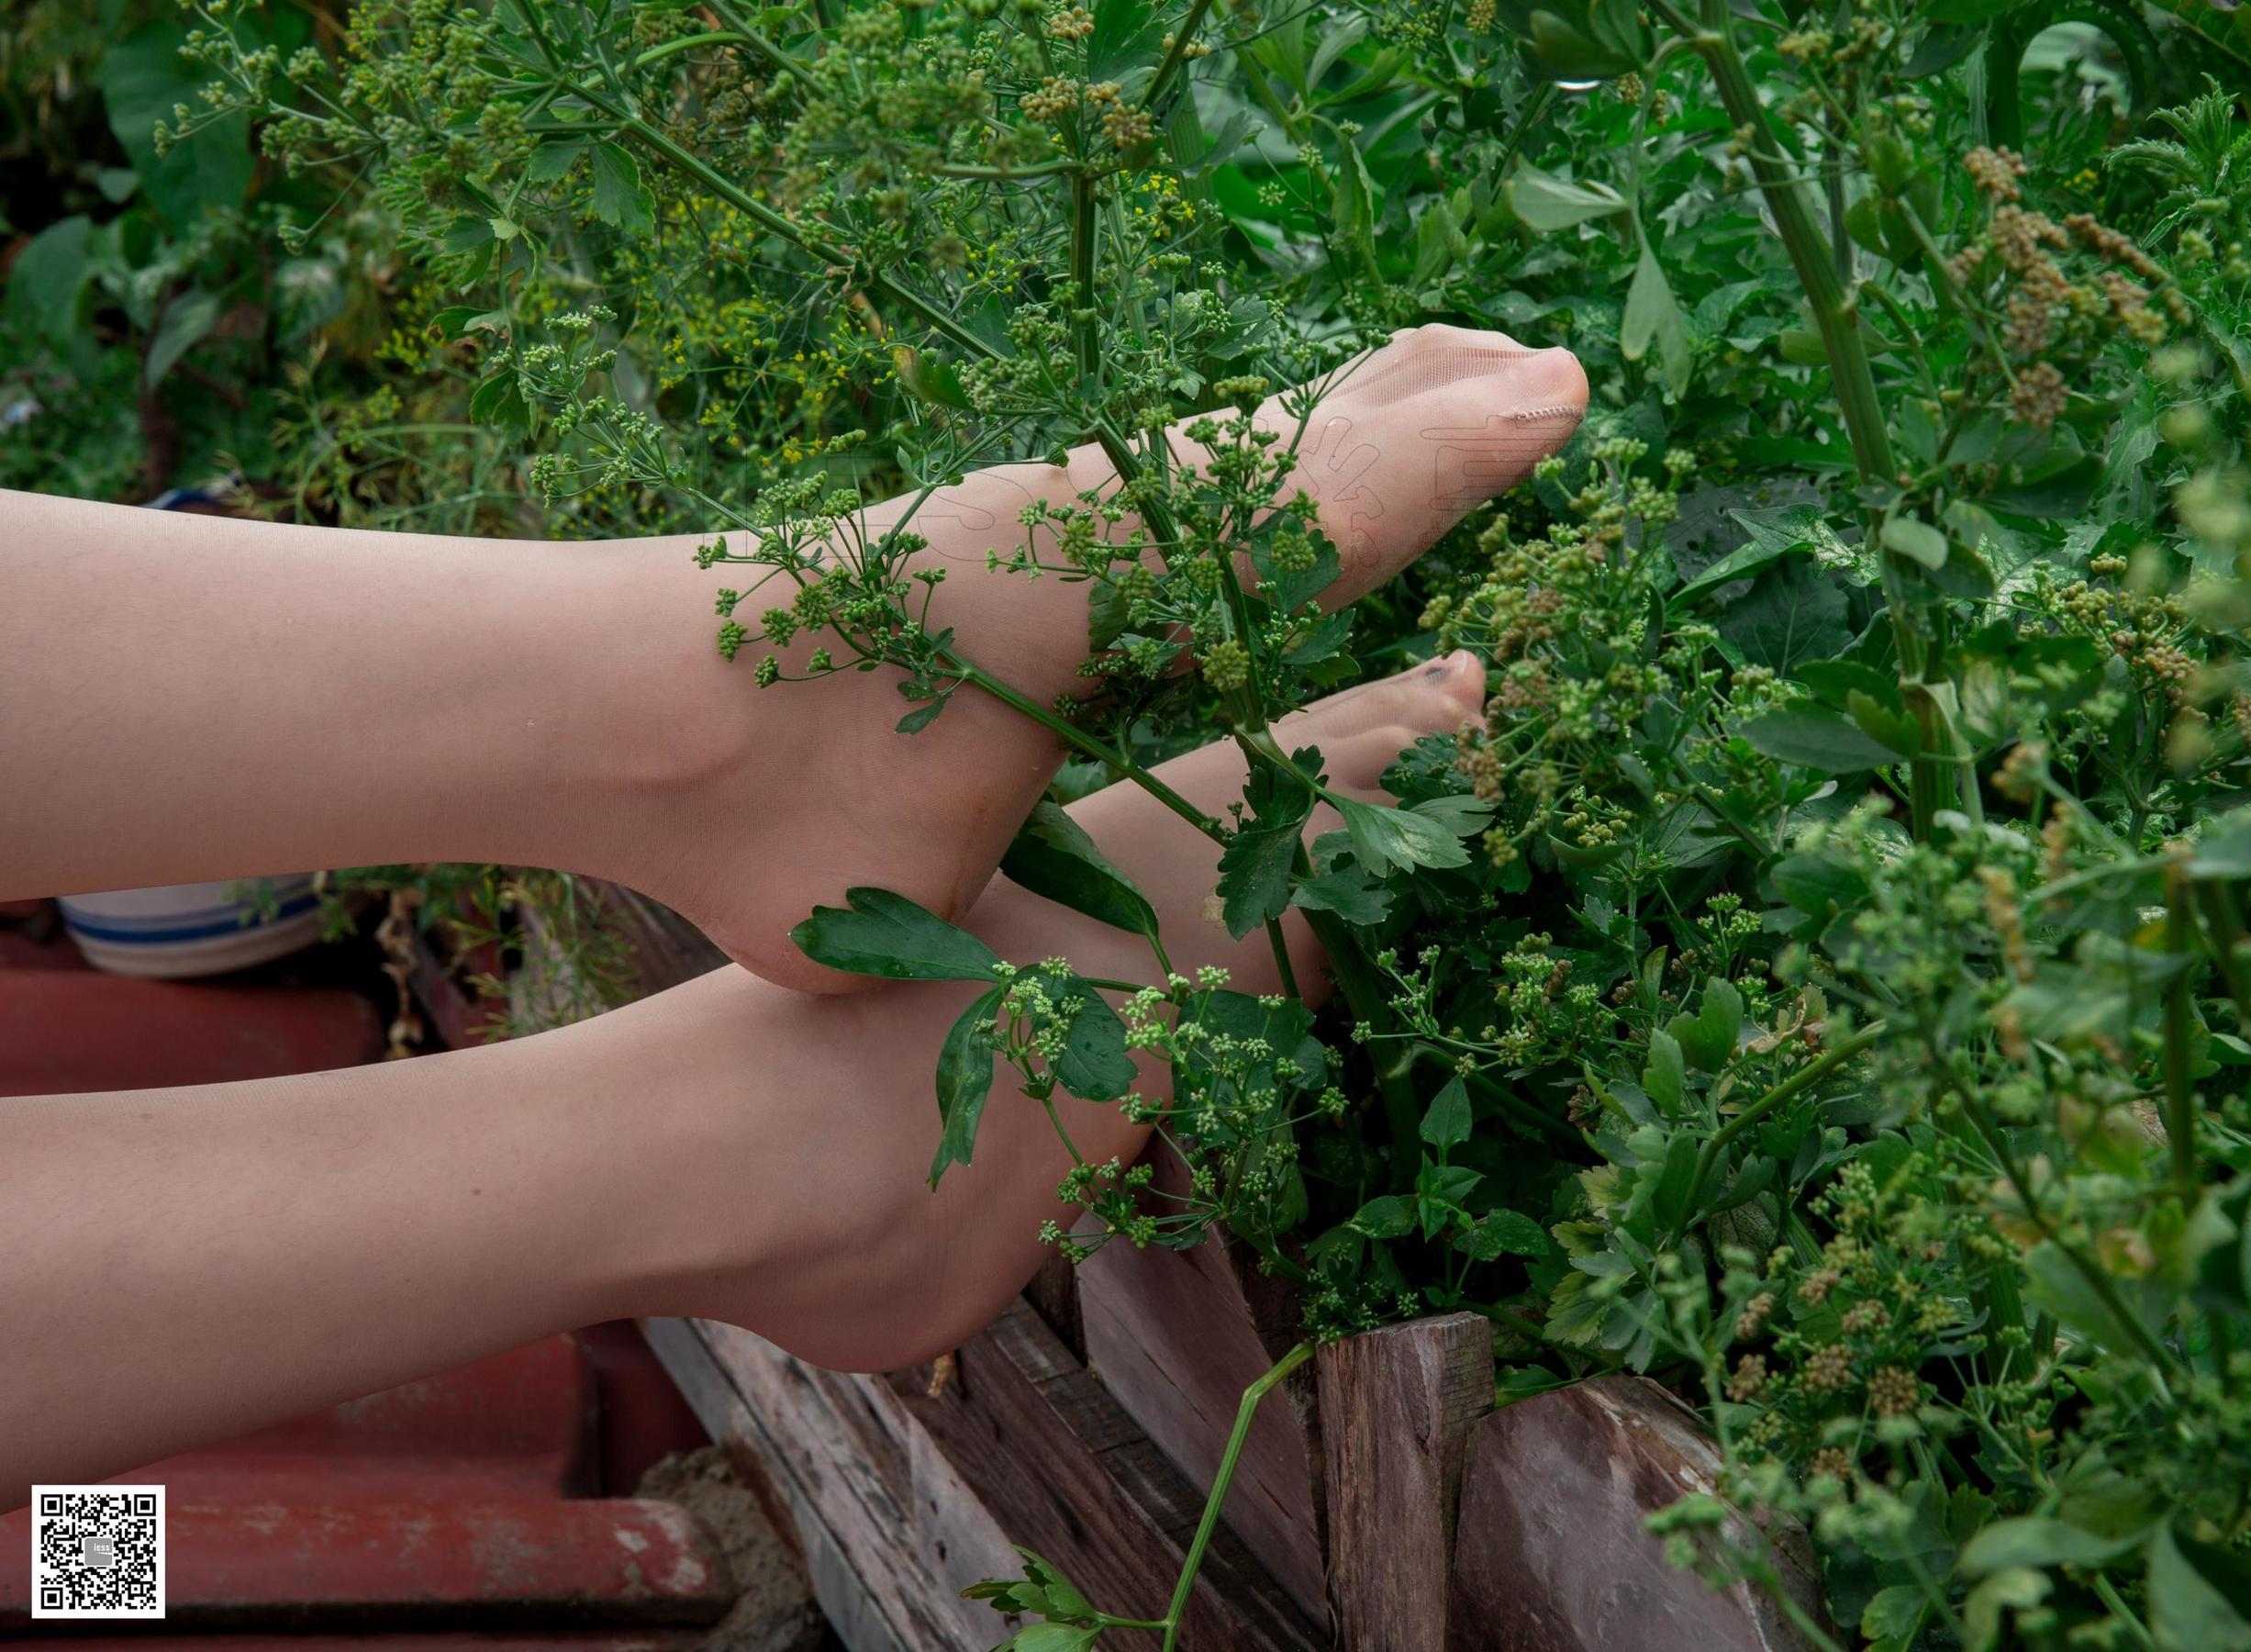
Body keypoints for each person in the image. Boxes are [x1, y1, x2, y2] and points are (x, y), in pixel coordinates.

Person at [0, 326, 1586, 1494]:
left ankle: (710, 711)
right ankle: (769, 1136)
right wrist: (109, 1579)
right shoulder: (110, 1567)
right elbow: (114, 1567)